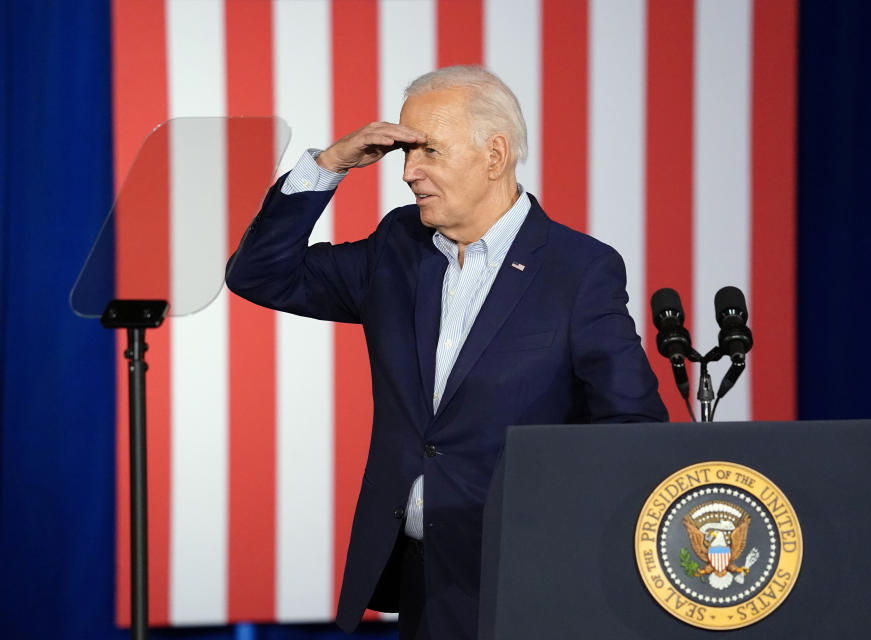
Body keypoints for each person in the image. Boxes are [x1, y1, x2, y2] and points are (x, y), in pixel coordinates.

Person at [225, 65, 667, 640]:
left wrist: (578, 543)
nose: (409, 173)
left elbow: (631, 426)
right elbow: (260, 276)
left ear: (495, 153)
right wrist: (328, 165)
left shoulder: (578, 269)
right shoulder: (397, 248)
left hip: (529, 579)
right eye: (405, 153)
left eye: (429, 150)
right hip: (422, 578)